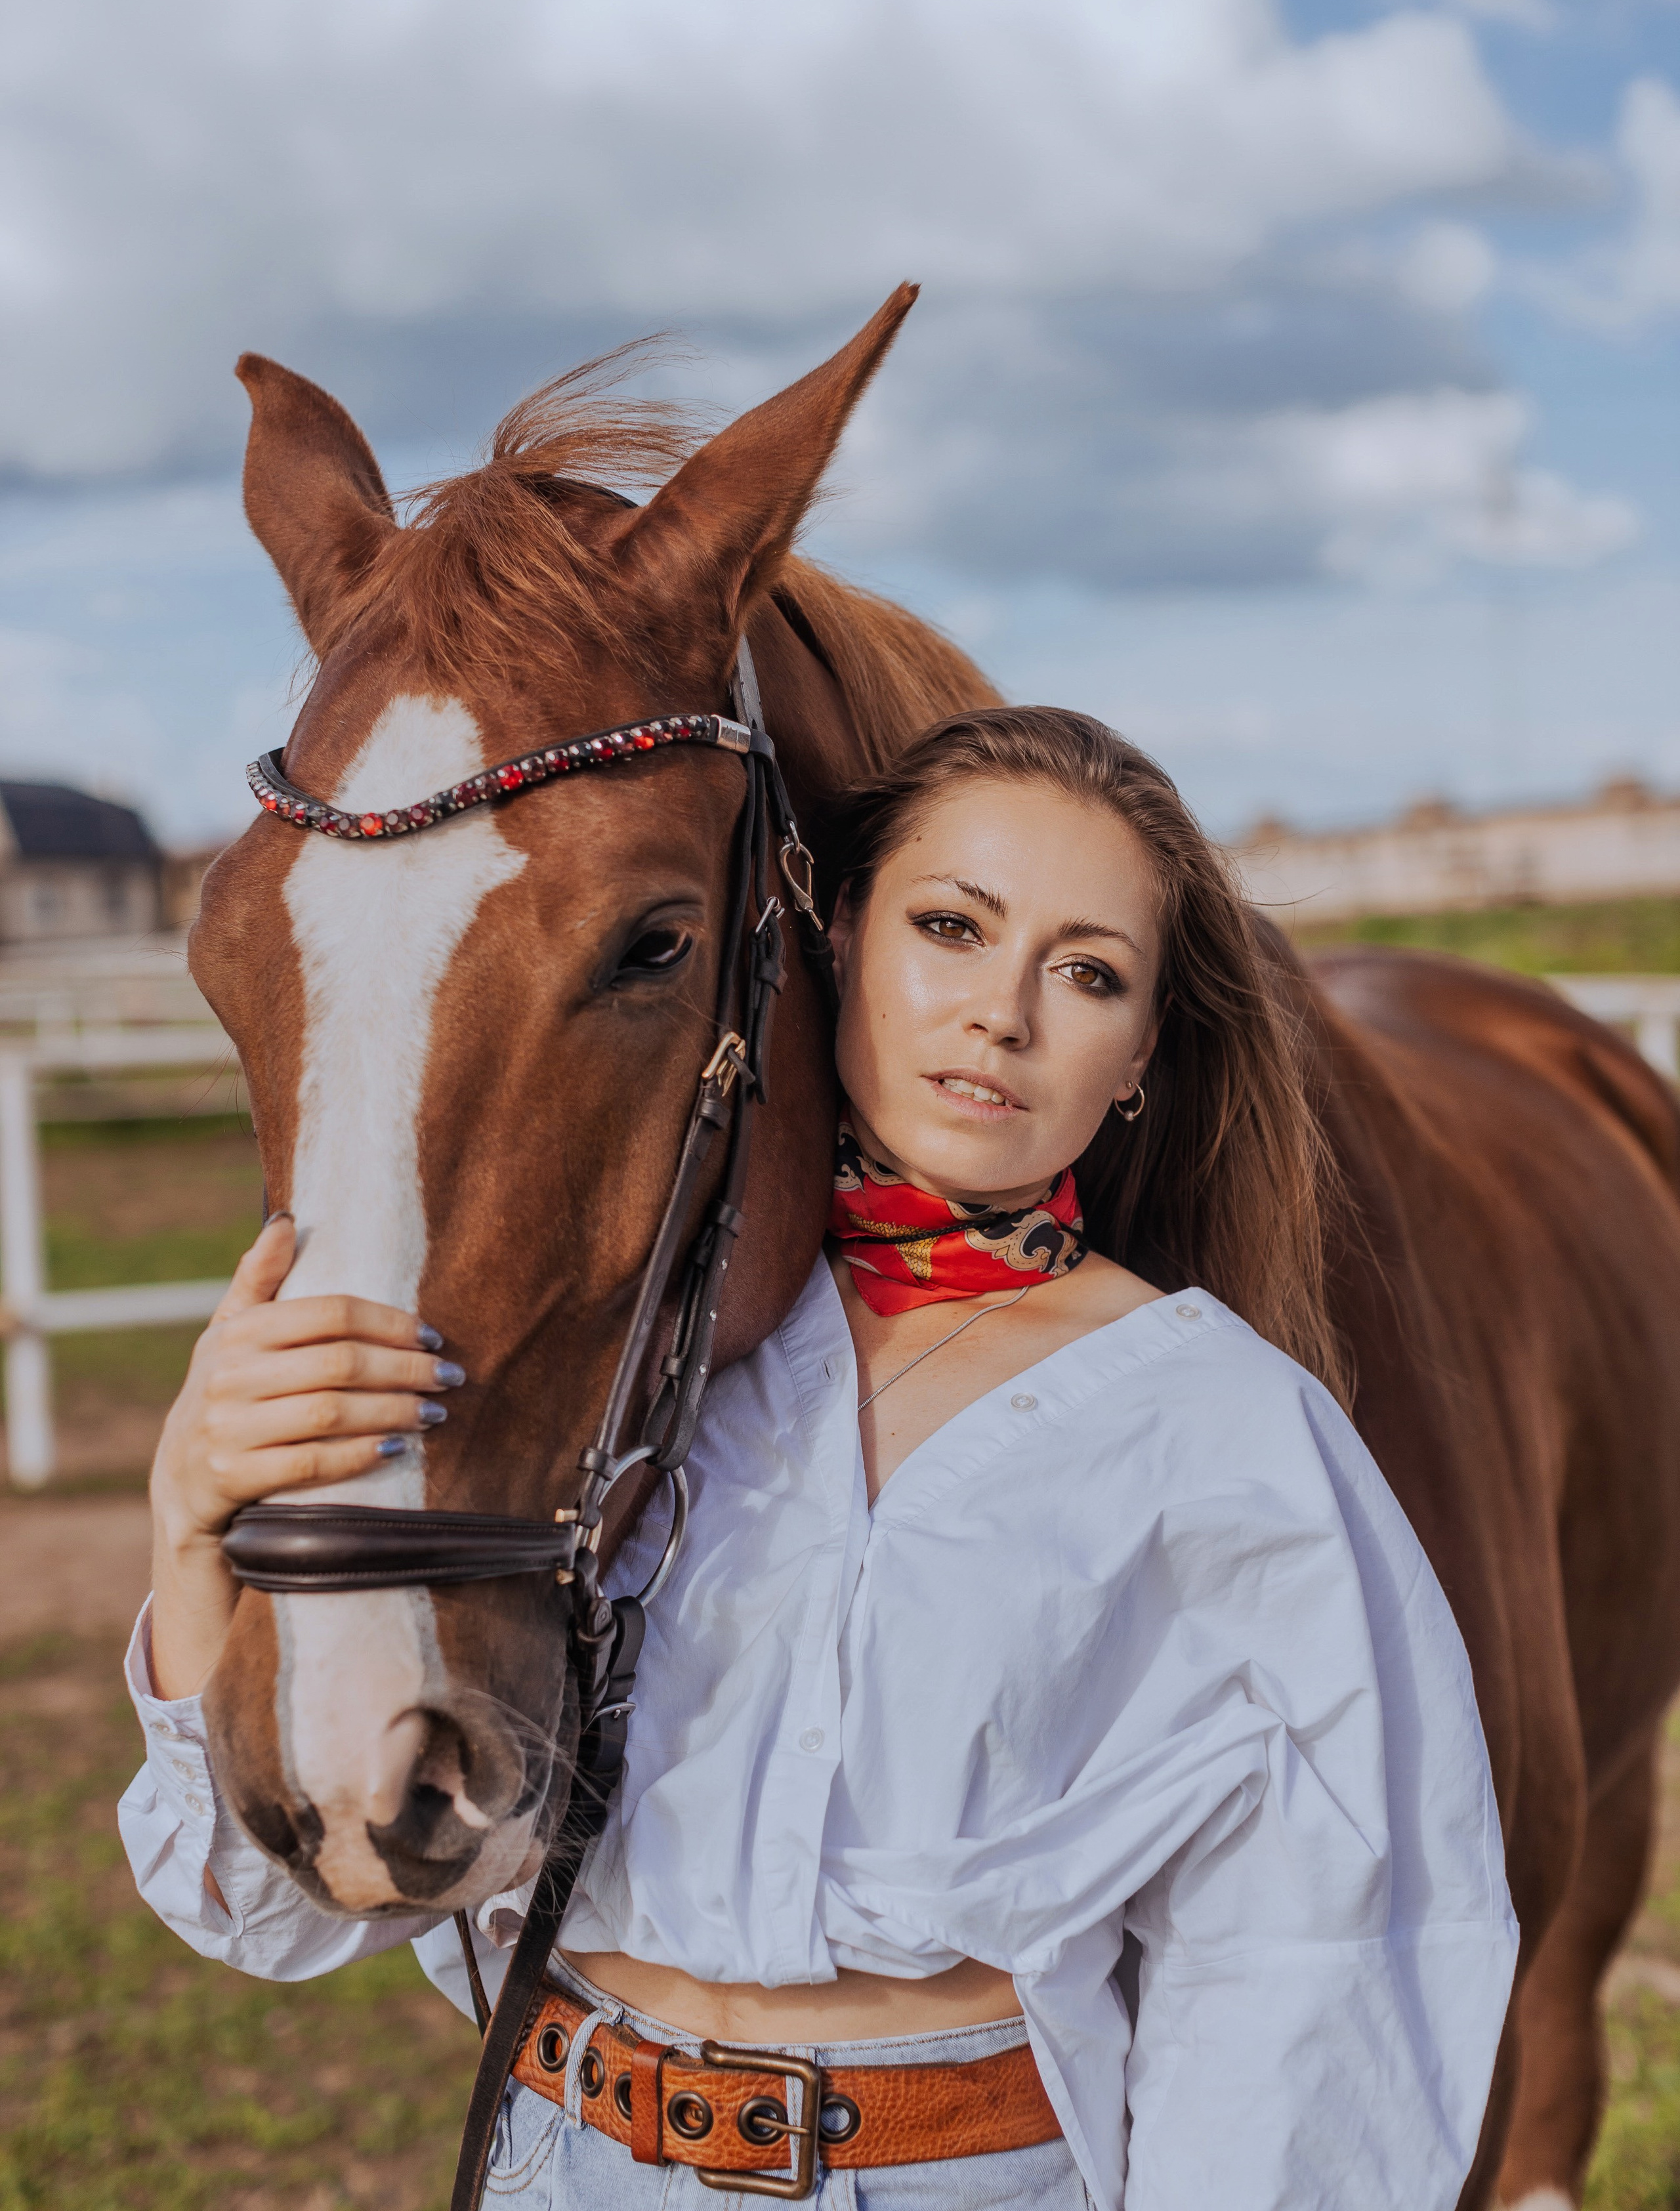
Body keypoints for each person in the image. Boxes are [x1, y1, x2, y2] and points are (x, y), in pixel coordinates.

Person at [123, 705, 1518, 2210]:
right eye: (950, 927)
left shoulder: (1227, 1433)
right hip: (557, 2159)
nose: (1001, 1014)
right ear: (835, 934)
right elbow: (284, 1913)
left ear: (1138, 1054)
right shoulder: (625, 1370)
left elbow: (1316, 1975)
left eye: (1087, 972)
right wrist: (195, 1521)